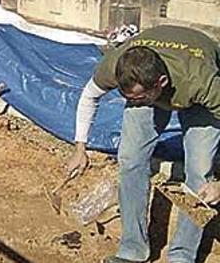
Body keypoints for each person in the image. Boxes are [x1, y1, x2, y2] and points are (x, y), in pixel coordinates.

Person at [67, 25, 220, 263]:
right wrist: (80, 148)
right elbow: (89, 96)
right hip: (155, 81)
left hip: (198, 97)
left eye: (137, 98)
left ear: (161, 82)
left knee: (199, 173)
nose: (131, 102)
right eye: (127, 97)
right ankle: (132, 250)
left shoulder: (203, 81)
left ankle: (182, 256)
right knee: (129, 159)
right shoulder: (117, 66)